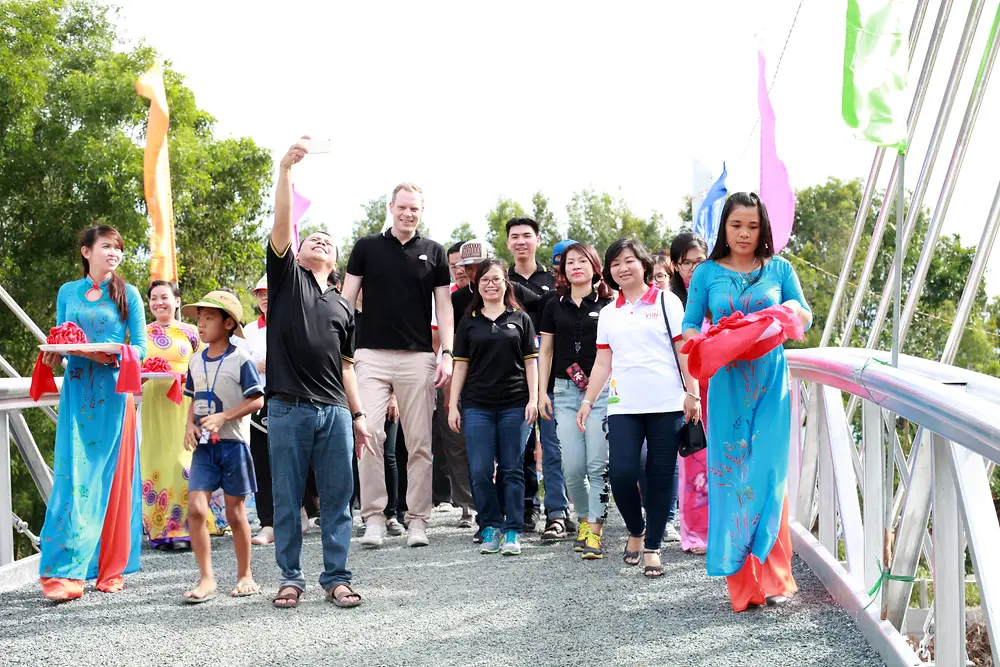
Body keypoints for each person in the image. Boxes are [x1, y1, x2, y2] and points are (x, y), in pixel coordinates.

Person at [682, 192, 811, 612]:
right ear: (724, 227)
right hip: (726, 383)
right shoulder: (706, 272)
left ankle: (773, 576)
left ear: (764, 229)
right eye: (737, 225)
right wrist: (700, 340)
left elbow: (804, 314)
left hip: (771, 378)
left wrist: (784, 313)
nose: (744, 234)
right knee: (731, 474)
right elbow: (688, 325)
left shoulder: (780, 268)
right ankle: (743, 584)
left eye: (753, 226)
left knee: (769, 471)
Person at [267, 139, 373, 609]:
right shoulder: (286, 279)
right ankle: (290, 578)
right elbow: (283, 223)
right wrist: (286, 169)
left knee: (338, 499)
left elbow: (348, 368)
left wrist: (359, 415)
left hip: (334, 412)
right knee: (288, 499)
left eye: (328, 241)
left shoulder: (343, 306)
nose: (321, 241)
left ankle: (337, 577)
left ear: (336, 260)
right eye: (313, 238)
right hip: (287, 407)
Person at [576, 239, 701, 579]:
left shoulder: (667, 301)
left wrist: (694, 394)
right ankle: (636, 527)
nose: (622, 268)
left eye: (629, 261)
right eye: (615, 263)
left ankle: (653, 547)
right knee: (621, 473)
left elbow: (683, 351)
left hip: (666, 403)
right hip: (623, 405)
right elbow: (603, 361)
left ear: (644, 265)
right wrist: (588, 399)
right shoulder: (608, 312)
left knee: (661, 476)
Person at [342, 182, 455, 549]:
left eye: (415, 209)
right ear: (391, 207)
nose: (408, 214)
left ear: (421, 212)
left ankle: (417, 520)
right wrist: (342, 351)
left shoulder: (434, 252)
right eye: (402, 207)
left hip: (418, 356)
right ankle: (373, 517)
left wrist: (448, 353)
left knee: (420, 442)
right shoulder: (366, 247)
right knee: (370, 434)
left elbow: (445, 308)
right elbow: (346, 300)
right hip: (370, 356)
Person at [38, 225, 148, 601]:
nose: (113, 254)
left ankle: (109, 568)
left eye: (117, 248)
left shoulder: (129, 294)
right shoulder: (68, 292)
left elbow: (142, 350)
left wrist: (106, 352)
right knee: (72, 476)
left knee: (110, 479)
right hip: (77, 389)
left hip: (113, 394)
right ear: (87, 252)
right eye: (106, 247)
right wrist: (55, 351)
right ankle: (64, 572)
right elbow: (61, 335)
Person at [448, 258, 539, 556]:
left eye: (496, 279)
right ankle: (489, 525)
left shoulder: (521, 319)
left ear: (505, 283)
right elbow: (459, 367)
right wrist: (453, 405)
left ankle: (512, 529)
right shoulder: (469, 321)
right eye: (485, 279)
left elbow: (531, 364)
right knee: (480, 469)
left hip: (515, 404)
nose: (490, 284)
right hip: (477, 406)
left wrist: (534, 400)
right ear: (477, 284)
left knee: (513, 469)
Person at [180, 291, 264, 602]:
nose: (200, 324)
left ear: (228, 323)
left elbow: (258, 399)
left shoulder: (241, 359)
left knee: (235, 513)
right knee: (196, 508)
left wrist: (225, 416)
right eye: (199, 318)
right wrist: (189, 425)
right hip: (204, 447)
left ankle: (245, 574)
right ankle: (206, 578)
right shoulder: (194, 360)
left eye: (209, 318)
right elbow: (193, 398)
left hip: (234, 445)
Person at [538, 243, 613, 559]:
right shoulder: (552, 305)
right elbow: (546, 350)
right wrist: (541, 391)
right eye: (570, 262)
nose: (576, 266)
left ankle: (595, 530)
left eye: (583, 260)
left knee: (598, 466)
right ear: (562, 270)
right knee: (572, 467)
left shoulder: (611, 304)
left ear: (595, 266)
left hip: (603, 392)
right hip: (565, 392)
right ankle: (583, 519)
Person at [506, 218, 569, 535]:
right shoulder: (499, 280)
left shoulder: (555, 278)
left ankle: (560, 509)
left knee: (556, 446)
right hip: (514, 376)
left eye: (526, 236)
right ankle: (525, 507)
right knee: (520, 449)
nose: (521, 242)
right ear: (507, 243)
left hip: (552, 375)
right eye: (514, 237)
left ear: (537, 240)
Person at [141, 280, 202, 550]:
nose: (159, 303)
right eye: (154, 298)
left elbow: (205, 364)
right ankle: (160, 529)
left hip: (185, 403)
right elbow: (133, 369)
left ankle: (188, 528)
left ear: (177, 300)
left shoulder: (191, 332)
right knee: (156, 461)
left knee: (183, 462)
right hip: (154, 403)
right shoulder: (142, 333)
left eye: (164, 297)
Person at [669, 233, 710, 555]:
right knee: (694, 463)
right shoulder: (671, 303)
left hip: (725, 389)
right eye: (687, 262)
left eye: (700, 260)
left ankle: (729, 530)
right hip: (689, 391)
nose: (694, 268)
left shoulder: (719, 296)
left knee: (727, 461)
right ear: (675, 265)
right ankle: (696, 534)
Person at [430, 241, 476, 527]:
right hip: (450, 374)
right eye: (453, 265)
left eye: (464, 263)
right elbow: (435, 339)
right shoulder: (446, 299)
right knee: (455, 443)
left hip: (488, 378)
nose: (459, 269)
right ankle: (467, 506)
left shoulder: (494, 290)